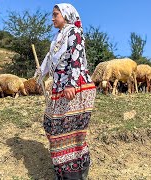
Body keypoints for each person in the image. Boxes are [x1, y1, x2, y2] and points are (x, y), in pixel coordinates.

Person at [35, 3, 96, 179]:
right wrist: (41, 74)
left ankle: (74, 174)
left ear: (66, 15)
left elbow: (76, 57)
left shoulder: (74, 32)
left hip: (76, 87)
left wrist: (71, 84)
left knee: (69, 132)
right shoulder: (57, 38)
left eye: (56, 14)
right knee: (52, 127)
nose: (52, 18)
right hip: (59, 87)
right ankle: (71, 169)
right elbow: (49, 59)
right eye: (52, 15)